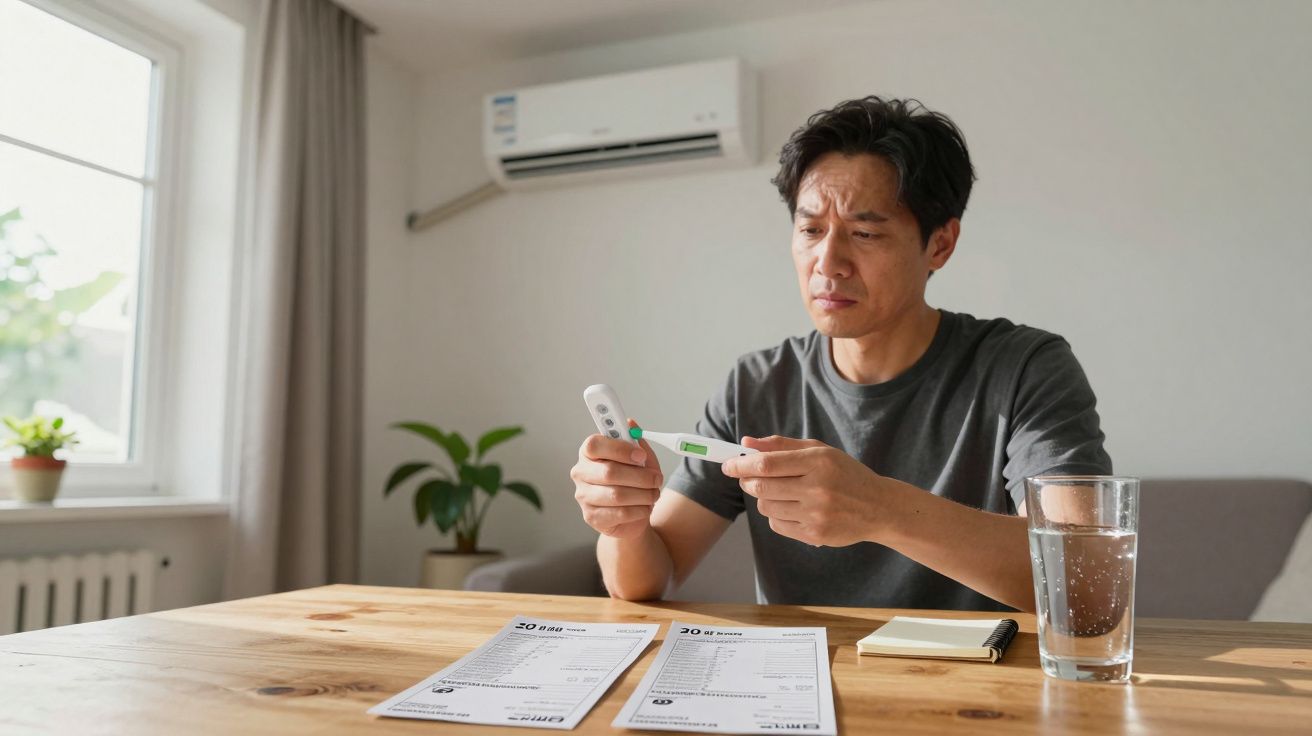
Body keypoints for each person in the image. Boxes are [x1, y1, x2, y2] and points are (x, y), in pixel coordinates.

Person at [569, 96, 1111, 612]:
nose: (828, 263)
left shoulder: (1024, 369)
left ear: (940, 244)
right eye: (810, 230)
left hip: (979, 695)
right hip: (796, 692)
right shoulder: (757, 384)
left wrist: (879, 508)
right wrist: (625, 527)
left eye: (865, 233)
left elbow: (1086, 578)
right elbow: (644, 583)